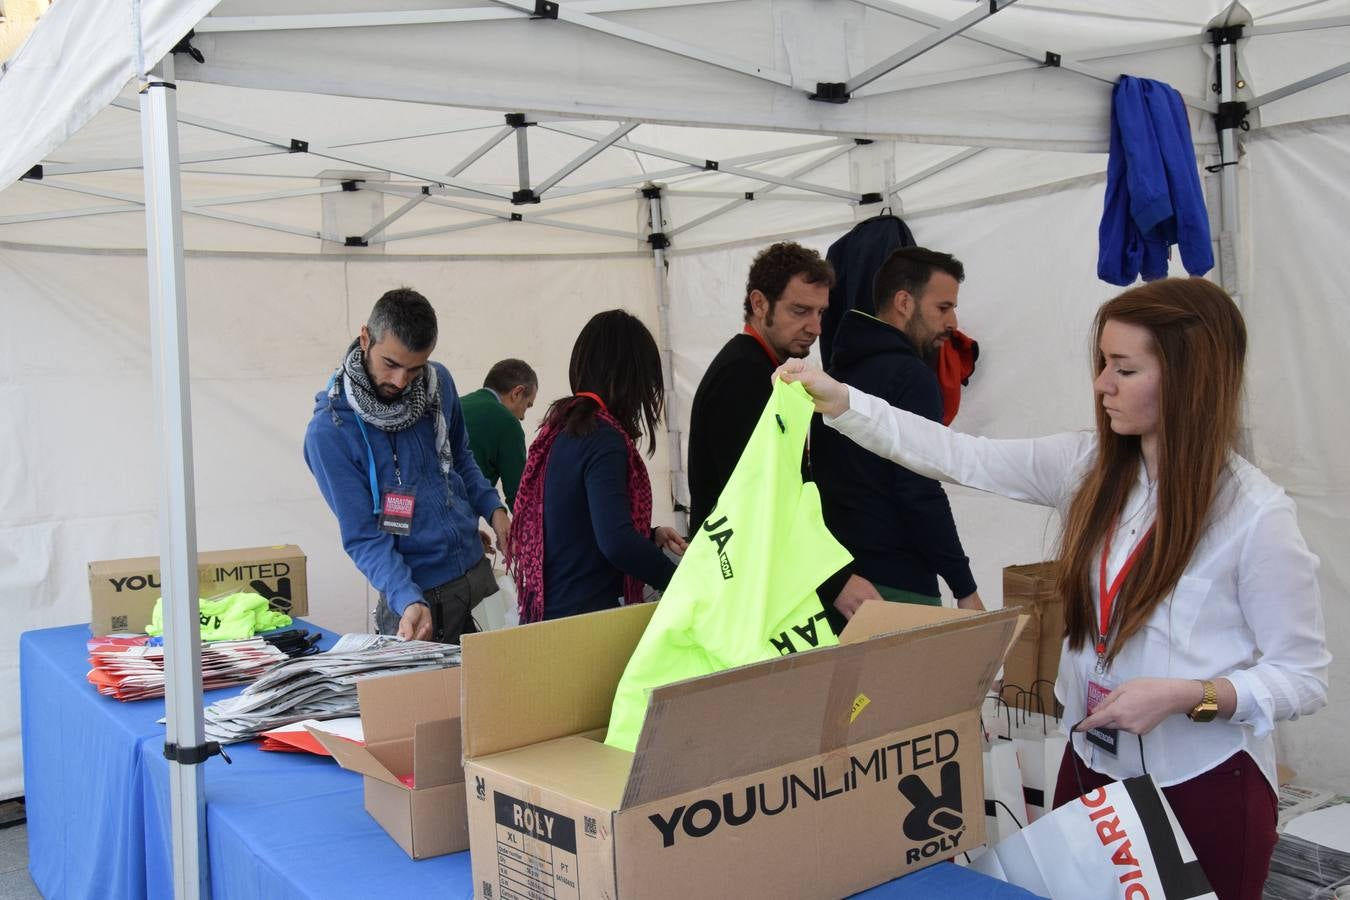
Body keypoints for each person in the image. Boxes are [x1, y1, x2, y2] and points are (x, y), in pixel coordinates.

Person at [779, 277, 1330, 899]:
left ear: (1189, 378)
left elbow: (1303, 678)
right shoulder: (1088, 467)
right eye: (1102, 364)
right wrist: (843, 401)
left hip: (1201, 788)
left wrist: (1187, 696)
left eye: (1124, 368)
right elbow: (959, 456)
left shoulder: (1255, 515)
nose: (1101, 385)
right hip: (1091, 771)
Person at [686, 241, 881, 626]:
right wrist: (833, 581)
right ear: (760, 304)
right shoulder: (742, 375)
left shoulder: (763, 369)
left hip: (764, 585)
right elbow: (758, 499)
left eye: (821, 312)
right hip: (745, 594)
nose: (815, 327)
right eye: (800, 310)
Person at [304, 287, 509, 644]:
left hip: (478, 576)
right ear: (365, 337)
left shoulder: (439, 382)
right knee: (432, 702)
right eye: (391, 364)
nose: (401, 382)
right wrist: (406, 597)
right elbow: (364, 537)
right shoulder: (331, 432)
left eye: (415, 369)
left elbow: (461, 459)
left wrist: (493, 508)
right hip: (418, 603)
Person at [812, 246, 984, 610]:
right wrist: (964, 587)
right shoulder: (912, 378)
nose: (953, 322)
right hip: (898, 587)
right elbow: (919, 489)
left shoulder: (836, 374)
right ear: (904, 302)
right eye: (943, 307)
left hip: (841, 587)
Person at [510, 310, 687, 621]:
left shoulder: (563, 428)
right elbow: (616, 542)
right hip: (584, 619)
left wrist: (650, 535)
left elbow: (578, 526)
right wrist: (684, 583)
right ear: (632, 378)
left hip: (551, 613)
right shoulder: (603, 437)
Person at [461, 359, 537, 509]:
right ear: (517, 393)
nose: (522, 417)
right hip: (458, 520)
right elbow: (520, 498)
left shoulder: (457, 403)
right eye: (528, 405)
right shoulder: (507, 422)